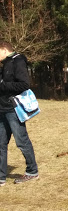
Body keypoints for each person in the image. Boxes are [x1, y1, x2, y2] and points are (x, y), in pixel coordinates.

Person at [0, 41, 39, 186]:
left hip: (13, 110)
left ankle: (32, 171)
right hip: (2, 109)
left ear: (4, 50)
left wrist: (3, 86)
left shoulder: (18, 62)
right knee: (1, 144)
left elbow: (24, 85)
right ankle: (1, 176)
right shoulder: (5, 64)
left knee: (22, 142)